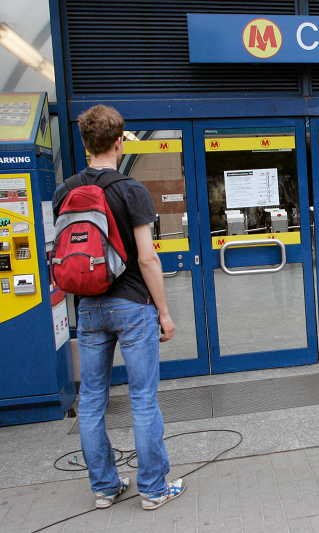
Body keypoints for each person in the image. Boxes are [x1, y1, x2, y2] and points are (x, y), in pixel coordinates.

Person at [54, 105, 185, 510]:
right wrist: (163, 311)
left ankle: (105, 487)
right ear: (118, 140)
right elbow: (147, 258)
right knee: (144, 398)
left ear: (83, 143)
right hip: (132, 305)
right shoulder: (131, 190)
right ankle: (153, 488)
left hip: (89, 307)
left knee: (92, 399)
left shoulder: (65, 191)